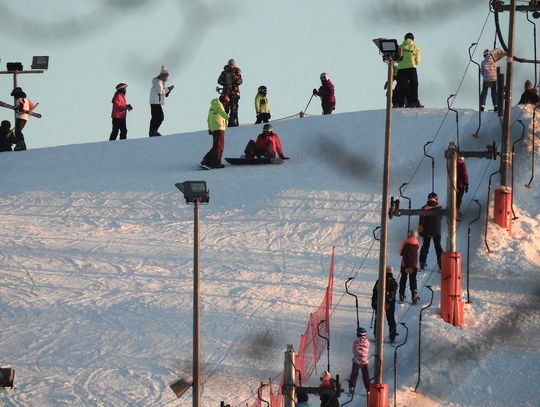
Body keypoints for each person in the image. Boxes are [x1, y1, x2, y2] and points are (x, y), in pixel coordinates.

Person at [202, 94, 230, 169]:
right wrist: (229, 118)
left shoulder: (212, 106)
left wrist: (210, 128)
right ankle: (216, 163)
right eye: (226, 103)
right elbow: (223, 113)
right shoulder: (219, 105)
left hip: (214, 129)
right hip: (219, 128)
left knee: (216, 146)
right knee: (219, 146)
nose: (225, 105)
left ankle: (206, 160)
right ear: (224, 101)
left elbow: (208, 119)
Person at [371, 266, 398, 342]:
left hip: (379, 302)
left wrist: (374, 303)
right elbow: (394, 293)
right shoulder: (394, 282)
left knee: (378, 319)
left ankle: (377, 335)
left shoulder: (379, 280)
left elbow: (375, 292)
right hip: (390, 304)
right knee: (391, 319)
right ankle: (392, 336)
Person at [396, 33, 422, 108]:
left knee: (402, 86)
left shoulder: (400, 47)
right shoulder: (415, 46)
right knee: (414, 85)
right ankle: (413, 102)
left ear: (404, 39)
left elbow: (397, 60)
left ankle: (400, 102)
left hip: (401, 69)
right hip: (411, 67)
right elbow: (418, 61)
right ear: (412, 39)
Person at [418, 192, 443, 270]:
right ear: (436, 199)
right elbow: (441, 218)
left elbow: (421, 221)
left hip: (426, 231)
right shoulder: (439, 208)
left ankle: (422, 264)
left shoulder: (424, 208)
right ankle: (441, 266)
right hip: (436, 231)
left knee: (425, 247)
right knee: (438, 248)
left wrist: (420, 230)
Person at [149, 65, 174, 137]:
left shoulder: (160, 82)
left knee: (157, 117)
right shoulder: (158, 81)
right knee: (158, 117)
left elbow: (162, 91)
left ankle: (153, 131)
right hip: (155, 102)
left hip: (156, 102)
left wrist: (167, 91)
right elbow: (160, 91)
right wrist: (168, 89)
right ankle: (153, 132)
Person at [11, 87, 38, 151]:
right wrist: (29, 111)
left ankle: (21, 145)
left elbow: (21, 107)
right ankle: (20, 144)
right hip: (25, 117)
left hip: (21, 116)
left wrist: (18, 109)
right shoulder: (26, 99)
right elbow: (31, 105)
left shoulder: (19, 99)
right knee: (18, 131)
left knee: (17, 131)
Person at [218, 59, 243, 127]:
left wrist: (235, 77)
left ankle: (233, 124)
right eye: (230, 64)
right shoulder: (224, 72)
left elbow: (240, 82)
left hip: (234, 94)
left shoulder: (237, 72)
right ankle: (223, 124)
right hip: (226, 94)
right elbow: (219, 81)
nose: (232, 66)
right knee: (225, 110)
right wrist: (225, 84)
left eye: (233, 64)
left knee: (234, 109)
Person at [399, 230, 420, 304]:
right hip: (414, 265)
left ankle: (401, 294)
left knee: (403, 279)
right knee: (413, 279)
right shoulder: (417, 243)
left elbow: (401, 252)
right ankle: (414, 294)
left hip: (404, 264)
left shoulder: (406, 242)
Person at [348, 327, 370, 395]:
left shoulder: (355, 342)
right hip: (364, 361)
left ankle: (351, 387)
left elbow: (354, 350)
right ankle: (368, 389)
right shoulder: (367, 342)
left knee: (354, 374)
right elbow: (367, 349)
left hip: (357, 361)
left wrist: (356, 356)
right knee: (366, 375)